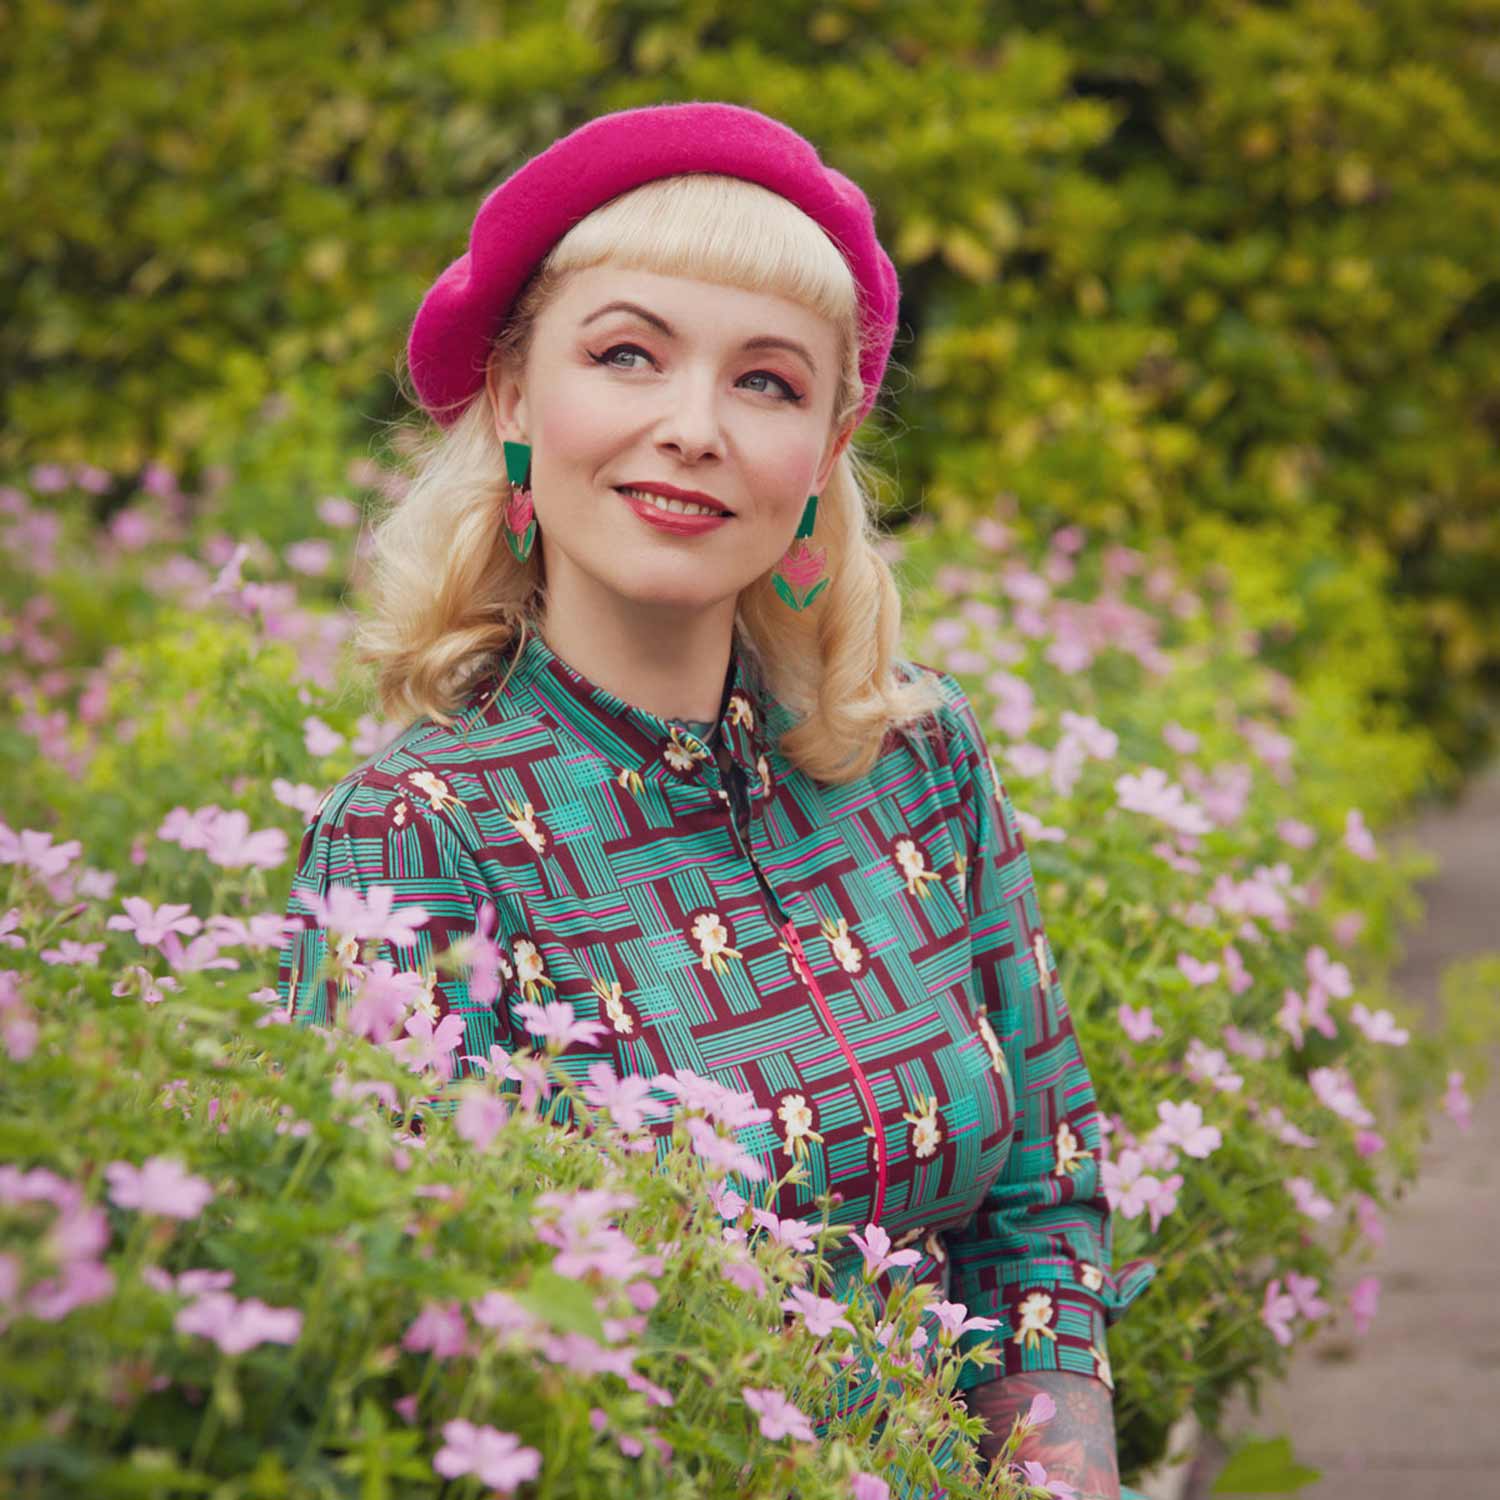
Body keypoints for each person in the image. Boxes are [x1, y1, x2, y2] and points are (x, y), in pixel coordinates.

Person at [274, 101, 1154, 1497]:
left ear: (823, 447)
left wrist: (1062, 1481)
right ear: (514, 398)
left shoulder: (916, 760)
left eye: (767, 382)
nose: (694, 429)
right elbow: (402, 1337)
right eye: (628, 354)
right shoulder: (414, 839)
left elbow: (1041, 1198)